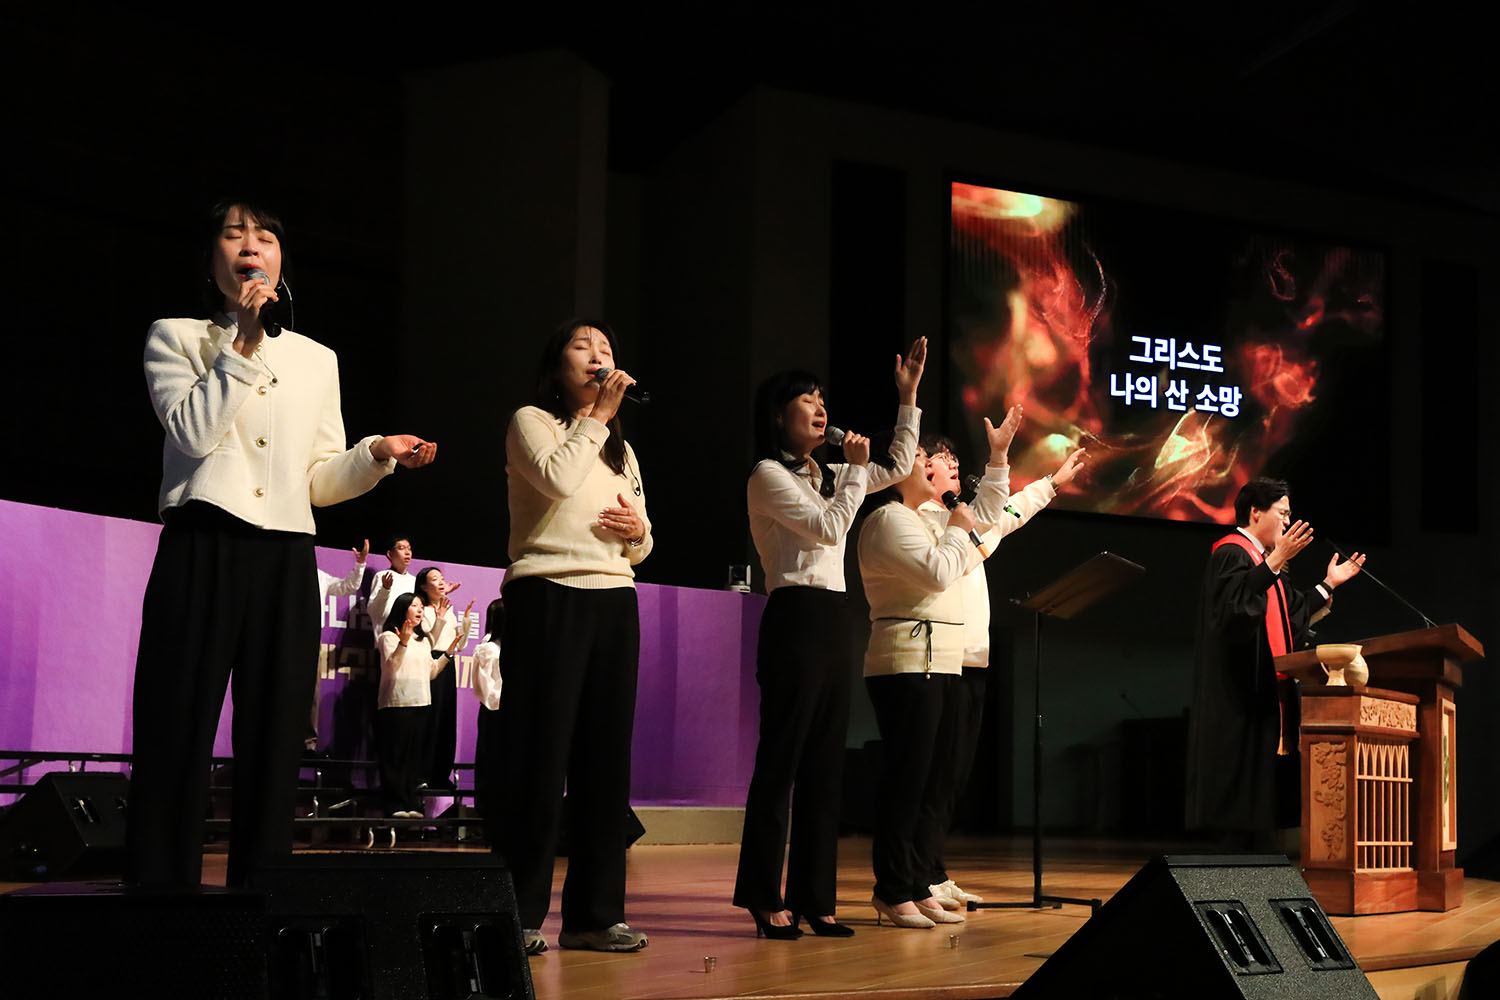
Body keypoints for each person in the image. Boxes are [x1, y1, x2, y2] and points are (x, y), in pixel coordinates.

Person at [128, 199, 435, 888]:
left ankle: (259, 898)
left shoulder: (316, 359)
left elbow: (319, 481)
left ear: (280, 261)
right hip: (203, 544)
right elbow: (193, 433)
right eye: (234, 234)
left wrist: (375, 453)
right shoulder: (176, 337)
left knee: (274, 736)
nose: (251, 245)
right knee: (177, 723)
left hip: (286, 556)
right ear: (212, 259)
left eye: (264, 236)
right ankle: (158, 898)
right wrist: (241, 343)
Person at [732, 338, 927, 940]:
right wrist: (857, 472)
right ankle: (763, 896)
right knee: (782, 759)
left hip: (836, 616)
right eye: (805, 399)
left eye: (821, 398)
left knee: (825, 764)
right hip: (793, 616)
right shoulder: (767, 475)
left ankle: (815, 899)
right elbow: (827, 528)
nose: (820, 407)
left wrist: (907, 398)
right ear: (778, 415)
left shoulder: (833, 473)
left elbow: (899, 466)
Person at [484, 318, 652, 955]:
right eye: (584, 347)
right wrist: (599, 417)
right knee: (539, 755)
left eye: (606, 348)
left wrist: (638, 532)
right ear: (557, 365)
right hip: (548, 592)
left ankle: (594, 916)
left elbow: (644, 541)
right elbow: (555, 478)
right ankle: (518, 913)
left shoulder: (620, 451)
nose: (598, 355)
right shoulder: (532, 421)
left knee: (605, 764)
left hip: (615, 599)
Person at [916, 424, 1086, 908]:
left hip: (973, 658)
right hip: (940, 659)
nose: (952, 462)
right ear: (919, 466)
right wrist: (975, 525)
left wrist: (1050, 484)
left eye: (953, 455)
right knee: (933, 773)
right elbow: (992, 526)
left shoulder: (963, 518)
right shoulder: (922, 519)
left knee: (954, 775)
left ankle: (932, 868)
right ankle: (916, 874)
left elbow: (1008, 514)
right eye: (940, 456)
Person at [856, 429, 1019, 929]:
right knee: (906, 781)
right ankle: (892, 889)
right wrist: (958, 528)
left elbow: (975, 539)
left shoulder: (922, 519)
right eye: (921, 457)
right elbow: (937, 572)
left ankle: (914, 883)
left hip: (936, 663)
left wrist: (998, 463)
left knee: (925, 781)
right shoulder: (888, 519)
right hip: (906, 662)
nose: (930, 463)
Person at [1185, 476, 1365, 845]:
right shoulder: (1231, 553)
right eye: (1282, 513)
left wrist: (1329, 583)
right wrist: (1277, 559)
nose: (1287, 521)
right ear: (1255, 512)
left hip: (1263, 691)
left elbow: (1289, 615)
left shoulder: (1265, 564)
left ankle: (1257, 853)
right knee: (1235, 794)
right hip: (1236, 691)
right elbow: (1234, 613)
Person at [375, 592, 459, 818]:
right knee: (395, 756)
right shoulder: (388, 637)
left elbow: (431, 672)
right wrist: (403, 642)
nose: (420, 610)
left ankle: (412, 804)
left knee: (414, 758)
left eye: (421, 606)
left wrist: (447, 654)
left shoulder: (423, 641)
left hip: (421, 702)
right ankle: (394, 805)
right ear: (402, 609)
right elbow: (391, 667)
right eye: (414, 606)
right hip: (396, 703)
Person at [413, 567, 473, 790]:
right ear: (423, 586)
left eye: (442, 578)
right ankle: (422, 774)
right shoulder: (422, 610)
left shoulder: (449, 611)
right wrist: (438, 618)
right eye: (434, 579)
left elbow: (461, 645)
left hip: (448, 664)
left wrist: (465, 621)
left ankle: (440, 774)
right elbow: (428, 641)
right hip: (430, 662)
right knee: (430, 717)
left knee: (446, 718)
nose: (440, 582)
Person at [309, 538, 372, 750]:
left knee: (312, 693)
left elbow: (349, 585)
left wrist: (360, 564)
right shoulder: (286, 575)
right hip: (285, 638)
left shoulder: (320, 576)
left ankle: (308, 745)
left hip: (311, 640)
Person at [471, 597, 505, 818]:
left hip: (511, 712)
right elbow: (485, 690)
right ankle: (487, 809)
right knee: (490, 759)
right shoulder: (488, 649)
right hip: (495, 712)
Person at [366, 536, 415, 636]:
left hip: (410, 639)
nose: (407, 552)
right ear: (390, 554)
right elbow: (374, 611)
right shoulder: (382, 576)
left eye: (409, 548)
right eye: (401, 548)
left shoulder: (414, 581)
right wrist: (385, 589)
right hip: (386, 638)